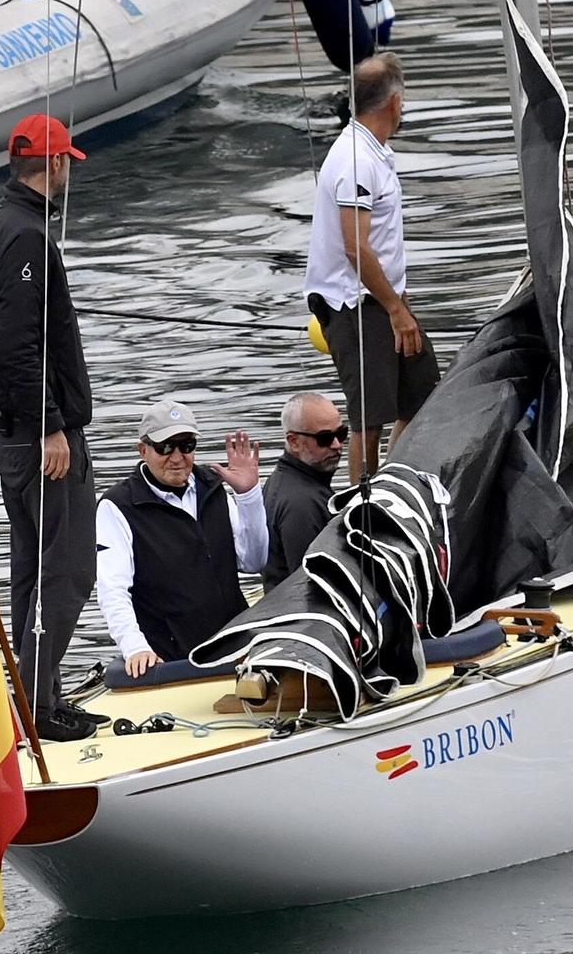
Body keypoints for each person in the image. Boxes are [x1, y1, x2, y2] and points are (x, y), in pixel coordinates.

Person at [0, 113, 98, 743]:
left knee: (33, 565)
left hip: (15, 432)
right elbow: (16, 346)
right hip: (36, 435)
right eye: (67, 160)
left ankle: (33, 695)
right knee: (69, 566)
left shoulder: (5, 222)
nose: (70, 169)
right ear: (51, 164)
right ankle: (38, 704)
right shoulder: (26, 236)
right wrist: (51, 427)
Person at [305, 51, 440, 481]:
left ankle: (395, 480)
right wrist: (396, 310)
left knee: (421, 396)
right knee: (369, 418)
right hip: (354, 304)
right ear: (394, 103)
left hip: (384, 298)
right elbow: (356, 249)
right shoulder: (356, 160)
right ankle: (365, 502)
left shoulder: (377, 150)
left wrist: (398, 297)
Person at [95, 400, 268, 680]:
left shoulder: (212, 488)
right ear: (143, 450)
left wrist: (248, 497)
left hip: (234, 650)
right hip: (172, 661)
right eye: (165, 447)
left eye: (186, 446)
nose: (177, 457)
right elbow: (112, 590)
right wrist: (135, 648)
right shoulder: (117, 506)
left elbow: (253, 561)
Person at [260, 391, 345, 588]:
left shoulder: (284, 480)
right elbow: (310, 583)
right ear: (294, 442)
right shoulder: (302, 505)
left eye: (341, 433)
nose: (337, 445)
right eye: (324, 438)